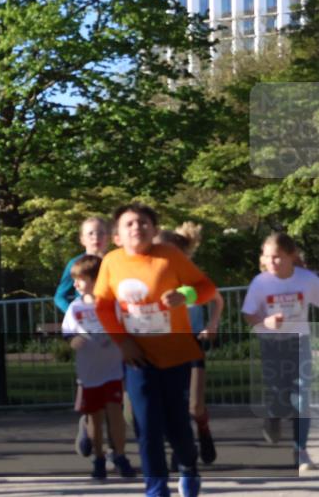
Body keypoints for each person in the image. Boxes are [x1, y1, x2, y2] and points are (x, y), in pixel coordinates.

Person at [93, 203, 218, 497]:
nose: (137, 227)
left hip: (175, 354)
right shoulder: (111, 262)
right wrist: (122, 342)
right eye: (130, 224)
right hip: (138, 358)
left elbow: (207, 287)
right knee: (147, 426)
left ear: (155, 229)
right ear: (117, 236)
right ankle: (156, 489)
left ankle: (188, 467)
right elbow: (103, 307)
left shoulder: (169, 256)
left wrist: (185, 294)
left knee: (177, 426)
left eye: (144, 222)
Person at [241, 233, 319, 473]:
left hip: (299, 341)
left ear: (290, 256)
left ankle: (300, 450)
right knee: (278, 394)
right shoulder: (260, 283)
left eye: (276, 257)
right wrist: (266, 322)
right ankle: (273, 416)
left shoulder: (306, 279)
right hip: (272, 344)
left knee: (301, 396)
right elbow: (248, 314)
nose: (270, 262)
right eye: (267, 257)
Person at [61, 255, 137, 480]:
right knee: (94, 417)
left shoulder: (111, 303)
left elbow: (126, 326)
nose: (75, 284)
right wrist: (72, 341)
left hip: (113, 369)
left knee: (115, 413)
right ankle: (99, 457)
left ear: (97, 280)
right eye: (74, 279)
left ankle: (120, 455)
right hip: (89, 372)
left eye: (80, 279)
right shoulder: (74, 308)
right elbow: (68, 334)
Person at [154, 224, 221, 465]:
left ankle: (203, 430)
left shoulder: (192, 279)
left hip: (191, 346)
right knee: (168, 405)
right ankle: (179, 449)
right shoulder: (154, 280)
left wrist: (212, 324)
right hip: (163, 348)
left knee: (194, 405)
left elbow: (217, 298)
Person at [53, 216, 111, 458]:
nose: (96, 237)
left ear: (109, 237)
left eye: (100, 233)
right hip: (88, 335)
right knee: (91, 390)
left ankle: (110, 448)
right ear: (82, 239)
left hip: (111, 334)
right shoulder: (75, 264)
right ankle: (87, 425)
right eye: (90, 233)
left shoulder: (114, 261)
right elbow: (59, 296)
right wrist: (80, 315)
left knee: (114, 395)